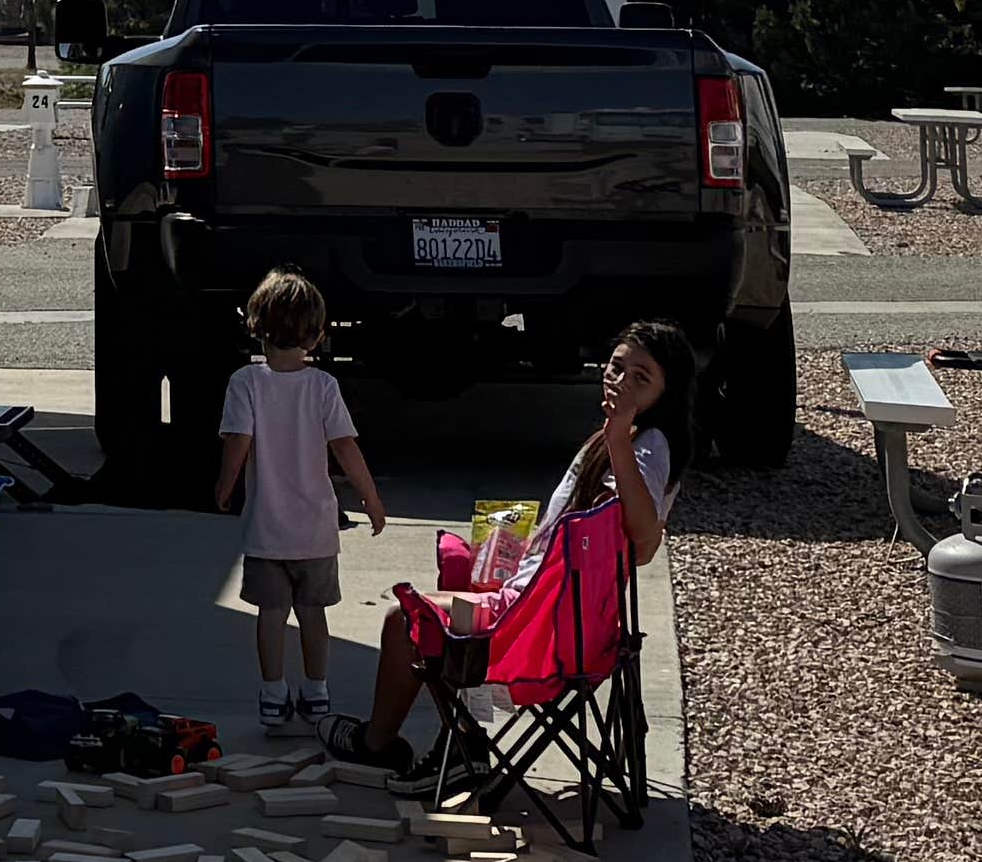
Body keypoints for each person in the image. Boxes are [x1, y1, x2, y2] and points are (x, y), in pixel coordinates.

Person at [340, 316, 690, 782]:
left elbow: (642, 542)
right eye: (616, 366)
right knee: (446, 592)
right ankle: (458, 742)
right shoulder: (625, 438)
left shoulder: (646, 445)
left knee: (406, 620)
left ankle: (392, 746)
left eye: (640, 377)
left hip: (541, 630)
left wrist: (618, 438)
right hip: (561, 615)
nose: (621, 380)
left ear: (667, 393)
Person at [204, 269, 382, 737]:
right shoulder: (323, 386)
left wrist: (226, 487)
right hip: (317, 530)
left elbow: (238, 442)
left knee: (270, 615)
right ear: (318, 334)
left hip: (267, 529)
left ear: (255, 325)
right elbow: (346, 447)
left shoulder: (246, 383)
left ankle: (272, 693)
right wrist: (371, 498)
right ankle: (317, 689)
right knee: (313, 614)